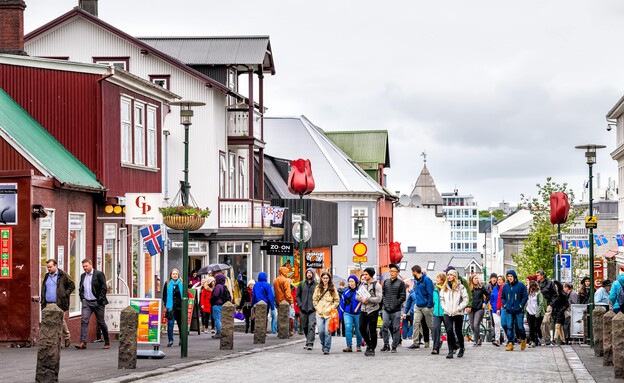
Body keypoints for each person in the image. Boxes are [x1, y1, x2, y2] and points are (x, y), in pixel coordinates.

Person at [76, 259, 110, 350]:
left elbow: (104, 288)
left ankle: (107, 341)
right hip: (87, 302)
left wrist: (100, 299)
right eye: (83, 266)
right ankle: (83, 342)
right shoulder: (83, 276)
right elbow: (81, 288)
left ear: (91, 265)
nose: (85, 268)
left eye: (86, 266)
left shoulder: (99, 274)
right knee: (84, 320)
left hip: (97, 302)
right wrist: (82, 298)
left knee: (101, 322)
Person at [41, 259, 75, 348]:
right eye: (48, 267)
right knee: (50, 322)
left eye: (50, 267)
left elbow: (72, 285)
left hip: (60, 303)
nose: (49, 269)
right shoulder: (46, 276)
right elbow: (44, 288)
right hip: (48, 303)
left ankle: (65, 338)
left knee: (59, 321)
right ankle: (54, 341)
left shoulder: (63, 275)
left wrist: (65, 294)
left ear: (55, 266)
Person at [440, 269, 468, 359]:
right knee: (449, 331)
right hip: (447, 312)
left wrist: (459, 307)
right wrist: (444, 307)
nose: (449, 276)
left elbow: (465, 299)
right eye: (448, 275)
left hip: (458, 313)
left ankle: (462, 347)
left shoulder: (461, 287)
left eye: (451, 275)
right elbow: (441, 299)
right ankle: (450, 350)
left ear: (455, 276)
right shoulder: (444, 287)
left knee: (458, 331)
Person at [404, 264, 433, 350]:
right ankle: (415, 342)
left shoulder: (427, 280)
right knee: (415, 323)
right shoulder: (416, 281)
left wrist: (429, 305)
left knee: (430, 325)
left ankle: (437, 339)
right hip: (418, 306)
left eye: (412, 272)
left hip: (426, 306)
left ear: (415, 272)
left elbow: (430, 293)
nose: (412, 273)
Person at [381, 263, 406, 353]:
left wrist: (396, 303)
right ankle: (386, 344)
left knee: (396, 328)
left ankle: (394, 346)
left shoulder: (401, 283)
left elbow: (403, 296)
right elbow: (383, 294)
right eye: (390, 271)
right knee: (384, 326)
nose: (391, 273)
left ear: (398, 272)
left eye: (393, 271)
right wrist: (385, 303)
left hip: (396, 310)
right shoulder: (386, 282)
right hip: (386, 308)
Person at [357, 267, 383, 356]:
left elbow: (379, 299)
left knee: (372, 330)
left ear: (371, 275)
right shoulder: (362, 285)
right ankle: (369, 344)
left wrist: (368, 299)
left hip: (373, 310)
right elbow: (357, 296)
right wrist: (362, 299)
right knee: (361, 328)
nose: (364, 276)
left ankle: (372, 348)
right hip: (363, 309)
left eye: (366, 274)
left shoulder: (377, 285)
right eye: (364, 274)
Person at [312, 271, 340, 355]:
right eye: (324, 278)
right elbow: (315, 299)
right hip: (319, 313)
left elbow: (337, 300)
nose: (325, 279)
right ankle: (323, 344)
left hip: (329, 313)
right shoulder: (317, 288)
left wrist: (332, 307)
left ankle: (327, 348)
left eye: (327, 278)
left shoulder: (333, 288)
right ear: (321, 278)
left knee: (327, 331)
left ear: (329, 279)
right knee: (320, 331)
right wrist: (317, 307)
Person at [501, 269, 528, 351]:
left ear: (514, 277)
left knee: (520, 327)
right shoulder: (505, 286)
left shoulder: (521, 285)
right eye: (508, 276)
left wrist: (520, 305)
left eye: (511, 276)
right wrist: (505, 305)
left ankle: (523, 339)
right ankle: (510, 343)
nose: (510, 278)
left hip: (518, 310)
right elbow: (502, 297)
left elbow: (525, 297)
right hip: (509, 310)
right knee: (509, 326)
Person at [340, 275, 363, 352]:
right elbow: (342, 304)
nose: (351, 283)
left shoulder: (360, 291)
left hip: (358, 313)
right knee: (348, 328)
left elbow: (364, 301)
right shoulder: (345, 292)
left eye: (352, 281)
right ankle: (349, 346)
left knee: (358, 330)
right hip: (347, 313)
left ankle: (358, 345)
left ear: (356, 282)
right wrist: (340, 315)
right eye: (349, 281)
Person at [297, 268, 317, 350]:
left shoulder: (316, 285)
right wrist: (300, 304)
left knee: (311, 325)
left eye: (310, 273)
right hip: (303, 308)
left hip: (312, 309)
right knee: (304, 326)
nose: (309, 274)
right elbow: (297, 295)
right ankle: (307, 339)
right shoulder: (301, 284)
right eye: (308, 273)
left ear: (313, 274)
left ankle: (310, 343)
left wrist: (315, 305)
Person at [162, 268, 183, 347]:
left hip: (180, 307)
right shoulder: (167, 283)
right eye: (173, 274)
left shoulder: (181, 284)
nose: (175, 275)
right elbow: (164, 295)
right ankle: (170, 340)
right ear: (171, 275)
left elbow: (185, 295)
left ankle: (182, 339)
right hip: (170, 307)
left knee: (181, 324)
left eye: (176, 274)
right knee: (170, 324)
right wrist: (166, 303)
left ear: (178, 275)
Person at [467, 274, 490, 346]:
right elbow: (465, 298)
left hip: (479, 308)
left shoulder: (481, 288)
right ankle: (479, 337)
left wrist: (485, 302)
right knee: (472, 326)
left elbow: (488, 295)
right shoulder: (468, 289)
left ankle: (475, 341)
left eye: (477, 278)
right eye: (475, 278)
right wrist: (467, 306)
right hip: (471, 308)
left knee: (476, 324)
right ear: (471, 280)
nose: (476, 279)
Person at [536, 270, 556, 345]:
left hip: (548, 304)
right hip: (540, 305)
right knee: (540, 322)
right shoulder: (537, 283)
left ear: (542, 276)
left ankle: (547, 338)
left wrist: (551, 304)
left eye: (538, 275)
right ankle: (542, 338)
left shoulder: (550, 283)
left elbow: (555, 295)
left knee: (545, 321)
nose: (537, 277)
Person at [525, 280, 546, 347]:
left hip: (538, 313)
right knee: (531, 327)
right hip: (530, 312)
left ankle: (541, 338)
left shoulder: (538, 293)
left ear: (532, 286)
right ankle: (533, 341)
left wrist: (537, 313)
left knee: (536, 326)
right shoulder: (528, 293)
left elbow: (541, 303)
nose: (527, 286)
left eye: (528, 285)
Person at [210, 273, 229, 339]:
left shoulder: (218, 286)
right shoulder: (224, 286)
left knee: (217, 319)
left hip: (217, 304)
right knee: (220, 319)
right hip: (222, 304)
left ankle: (219, 332)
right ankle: (220, 332)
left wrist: (211, 299)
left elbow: (215, 295)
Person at [431, 273, 446, 355]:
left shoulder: (446, 289)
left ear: (442, 280)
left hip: (445, 312)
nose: (436, 279)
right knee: (436, 329)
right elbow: (434, 301)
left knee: (449, 329)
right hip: (436, 312)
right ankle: (435, 348)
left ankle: (454, 346)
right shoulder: (435, 289)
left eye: (438, 278)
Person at [551, 280, 569, 345]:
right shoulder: (556, 295)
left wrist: (561, 310)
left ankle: (555, 339)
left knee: (557, 326)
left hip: (559, 312)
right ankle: (563, 340)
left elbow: (567, 304)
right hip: (556, 312)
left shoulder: (561, 294)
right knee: (560, 327)